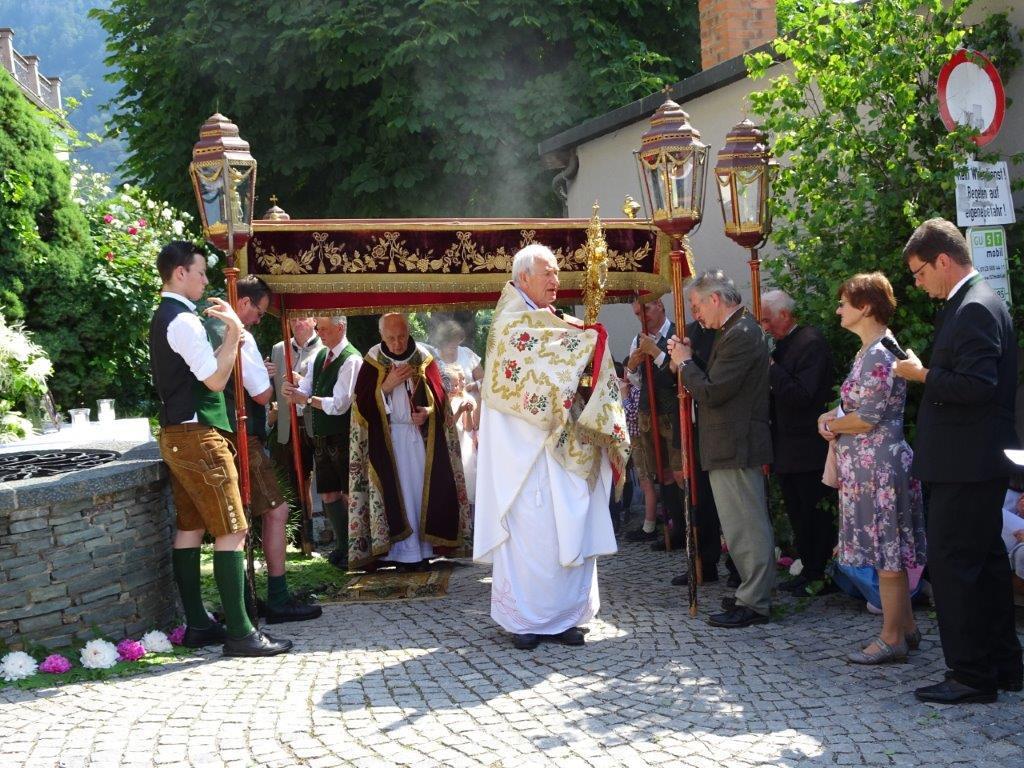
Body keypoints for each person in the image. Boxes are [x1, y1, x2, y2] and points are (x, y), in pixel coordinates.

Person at [895, 218, 1022, 703]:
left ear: (943, 260)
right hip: (972, 460)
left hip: (966, 463)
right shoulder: (977, 302)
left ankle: (970, 675)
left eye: (920, 272)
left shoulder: (973, 307)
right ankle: (1003, 665)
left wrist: (922, 374)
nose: (918, 283)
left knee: (955, 567)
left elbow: (977, 386)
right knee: (986, 563)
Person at [474, 244, 627, 650]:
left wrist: (588, 345)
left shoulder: (553, 321)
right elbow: (535, 364)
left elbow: (565, 354)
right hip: (525, 452)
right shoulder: (510, 322)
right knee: (533, 535)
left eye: (557, 272)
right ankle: (524, 620)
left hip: (564, 441)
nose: (556, 280)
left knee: (569, 526)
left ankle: (565, 618)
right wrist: (585, 343)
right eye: (549, 273)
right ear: (524, 277)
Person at [149, 241, 290, 657]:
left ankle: (198, 625)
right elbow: (214, 380)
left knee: (191, 527)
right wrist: (234, 333)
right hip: (198, 434)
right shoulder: (183, 319)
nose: (205, 280)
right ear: (180, 273)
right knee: (233, 528)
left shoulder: (167, 316)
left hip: (178, 433)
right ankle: (241, 634)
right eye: (200, 272)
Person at [817, 273, 925, 664]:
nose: (838, 310)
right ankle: (906, 627)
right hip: (872, 466)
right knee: (888, 551)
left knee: (887, 553)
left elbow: (868, 417)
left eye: (843, 303)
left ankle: (892, 637)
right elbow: (857, 408)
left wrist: (833, 425)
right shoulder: (872, 348)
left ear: (865, 307)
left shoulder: (879, 353)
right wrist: (832, 416)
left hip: (879, 467)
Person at [209, 276, 321, 624]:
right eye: (258, 312)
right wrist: (268, 379)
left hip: (219, 431)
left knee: (236, 521)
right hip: (242, 435)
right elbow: (261, 394)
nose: (259, 319)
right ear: (243, 303)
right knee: (275, 511)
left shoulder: (207, 325)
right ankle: (275, 598)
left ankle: (244, 601)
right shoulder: (239, 334)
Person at [668, 269, 773, 628]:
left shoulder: (740, 333)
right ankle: (750, 592)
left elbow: (713, 391)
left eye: (696, 306)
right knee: (738, 524)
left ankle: (755, 601)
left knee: (746, 525)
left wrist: (685, 363)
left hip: (736, 443)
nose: (695, 314)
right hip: (729, 442)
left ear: (715, 299)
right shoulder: (733, 330)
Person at [347, 313, 471, 570]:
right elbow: (361, 404)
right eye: (391, 338)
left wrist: (427, 413)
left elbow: (440, 401)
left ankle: (423, 552)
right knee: (397, 493)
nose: (397, 343)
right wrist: (386, 386)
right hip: (388, 440)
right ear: (381, 336)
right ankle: (398, 555)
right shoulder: (373, 360)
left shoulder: (423, 358)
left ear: (408, 333)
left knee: (419, 492)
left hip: (419, 439)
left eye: (401, 337)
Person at [761, 289, 837, 593]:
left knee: (813, 512)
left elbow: (802, 394)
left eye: (768, 320)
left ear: (784, 314)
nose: (765, 327)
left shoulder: (810, 343)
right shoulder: (784, 344)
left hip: (808, 447)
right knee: (797, 512)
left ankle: (819, 571)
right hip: (786, 447)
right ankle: (808, 566)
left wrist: (771, 369)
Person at [282, 316, 362, 570]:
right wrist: (294, 390)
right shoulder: (320, 356)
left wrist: (305, 400)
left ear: (341, 327)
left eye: (324, 329)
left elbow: (339, 404)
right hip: (322, 436)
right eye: (318, 328)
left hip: (343, 435)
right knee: (328, 493)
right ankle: (342, 546)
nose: (320, 333)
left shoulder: (351, 359)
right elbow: (307, 386)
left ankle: (356, 549)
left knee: (349, 493)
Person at [624, 298, 686, 553]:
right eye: (637, 313)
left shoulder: (678, 333)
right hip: (649, 415)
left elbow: (679, 374)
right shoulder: (638, 339)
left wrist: (656, 353)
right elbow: (637, 382)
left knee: (680, 472)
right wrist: (632, 366)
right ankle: (675, 529)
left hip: (673, 414)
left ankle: (691, 530)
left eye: (646, 310)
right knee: (663, 474)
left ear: (660, 305)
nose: (643, 317)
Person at [268, 316, 322, 511]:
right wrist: (266, 374)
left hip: (318, 422)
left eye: (302, 318)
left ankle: (331, 525)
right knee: (296, 483)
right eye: (292, 320)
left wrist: (304, 382)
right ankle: (304, 527)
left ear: (314, 320)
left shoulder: (325, 347)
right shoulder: (278, 349)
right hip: (288, 424)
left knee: (329, 482)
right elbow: (271, 389)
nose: (296, 323)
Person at [446, 364, 479, 504]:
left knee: (466, 477)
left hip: (462, 444)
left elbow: (468, 428)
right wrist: (459, 411)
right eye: (453, 384)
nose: (456, 387)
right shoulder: (444, 402)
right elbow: (448, 425)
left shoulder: (464, 400)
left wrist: (468, 412)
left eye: (457, 384)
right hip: (448, 443)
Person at [432, 319, 484, 395]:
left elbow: (484, 380)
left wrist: (471, 387)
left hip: (472, 400)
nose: (454, 343)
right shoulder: (432, 356)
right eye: (450, 340)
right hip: (445, 402)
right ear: (441, 340)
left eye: (457, 339)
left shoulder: (467, 353)